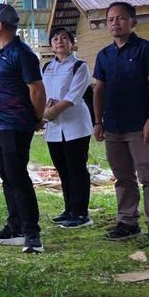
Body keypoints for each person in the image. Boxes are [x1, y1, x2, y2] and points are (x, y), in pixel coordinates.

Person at [92, 2, 149, 245]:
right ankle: (128, 222)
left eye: (121, 18)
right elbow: (99, 90)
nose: (115, 23)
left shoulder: (147, 50)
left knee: (148, 175)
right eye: (111, 19)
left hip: (140, 125)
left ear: (133, 22)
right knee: (122, 177)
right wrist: (98, 121)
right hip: (113, 126)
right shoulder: (104, 55)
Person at [0, 4, 47, 253]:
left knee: (18, 177)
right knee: (7, 176)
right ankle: (15, 226)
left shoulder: (22, 53)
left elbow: (37, 90)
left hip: (16, 125)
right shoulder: (0, 53)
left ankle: (32, 233)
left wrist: (36, 117)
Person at [40, 27, 93, 229]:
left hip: (75, 125)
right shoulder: (46, 67)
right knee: (62, 169)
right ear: (51, 45)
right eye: (55, 38)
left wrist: (50, 112)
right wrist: (45, 110)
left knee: (77, 168)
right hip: (54, 128)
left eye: (64, 38)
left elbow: (73, 96)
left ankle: (81, 213)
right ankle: (69, 208)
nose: (59, 41)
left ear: (72, 43)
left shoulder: (79, 66)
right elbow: (41, 93)